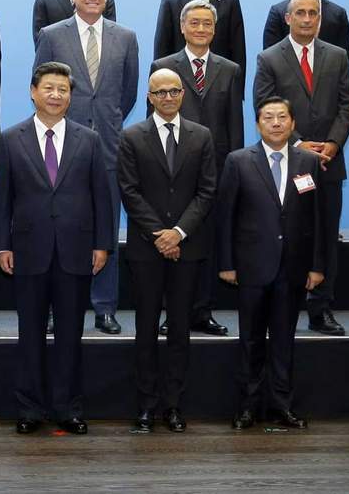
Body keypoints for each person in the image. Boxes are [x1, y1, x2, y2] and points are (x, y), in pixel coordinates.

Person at [0, 62, 115, 435]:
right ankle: (29, 409)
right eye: (48, 88)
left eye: (63, 90)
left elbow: (102, 196)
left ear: (70, 96)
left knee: (69, 335)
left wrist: (103, 244)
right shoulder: (11, 138)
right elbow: (2, 200)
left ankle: (67, 408)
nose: (56, 95)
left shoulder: (88, 139)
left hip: (76, 250)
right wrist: (2, 245)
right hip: (28, 249)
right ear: (33, 91)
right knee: (29, 333)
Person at [34, 0, 138, 334]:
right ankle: (53, 308)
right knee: (57, 225)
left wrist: (103, 123)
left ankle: (105, 306)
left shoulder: (126, 37)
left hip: (108, 144)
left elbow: (127, 94)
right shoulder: (51, 35)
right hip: (61, 143)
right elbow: (43, 85)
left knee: (106, 225)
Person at [217, 96, 328, 431]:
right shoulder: (238, 161)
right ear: (257, 124)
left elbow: (319, 219)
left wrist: (317, 266)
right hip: (251, 266)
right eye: (269, 117)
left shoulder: (308, 162)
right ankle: (247, 407)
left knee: (284, 340)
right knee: (250, 340)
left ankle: (282, 405)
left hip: (293, 267)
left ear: (293, 123)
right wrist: (227, 263)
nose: (276, 123)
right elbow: (226, 217)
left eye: (282, 117)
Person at [118, 69, 217, 433]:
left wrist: (178, 233)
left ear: (183, 95)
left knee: (179, 330)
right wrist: (160, 234)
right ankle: (145, 406)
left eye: (174, 90)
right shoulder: (131, 136)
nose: (168, 97)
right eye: (160, 92)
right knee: (145, 330)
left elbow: (207, 191)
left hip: (187, 248)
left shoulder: (202, 136)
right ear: (149, 96)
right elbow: (129, 191)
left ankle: (173, 406)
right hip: (147, 249)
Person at [252, 0, 349, 336]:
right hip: (286, 163)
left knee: (326, 235)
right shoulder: (269, 58)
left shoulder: (338, 56)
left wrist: (332, 144)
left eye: (314, 13)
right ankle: (284, 308)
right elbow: (265, 106)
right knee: (289, 234)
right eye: (301, 13)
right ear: (288, 18)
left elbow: (347, 106)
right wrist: (298, 144)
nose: (308, 19)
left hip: (328, 162)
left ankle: (321, 309)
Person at [150, 0, 243, 336]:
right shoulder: (163, 65)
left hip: (214, 170)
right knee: (171, 242)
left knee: (205, 243)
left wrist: (234, 170)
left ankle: (202, 312)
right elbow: (153, 122)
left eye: (208, 24)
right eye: (195, 23)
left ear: (215, 30)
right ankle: (170, 312)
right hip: (172, 168)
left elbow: (235, 124)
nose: (201, 29)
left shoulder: (230, 69)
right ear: (182, 27)